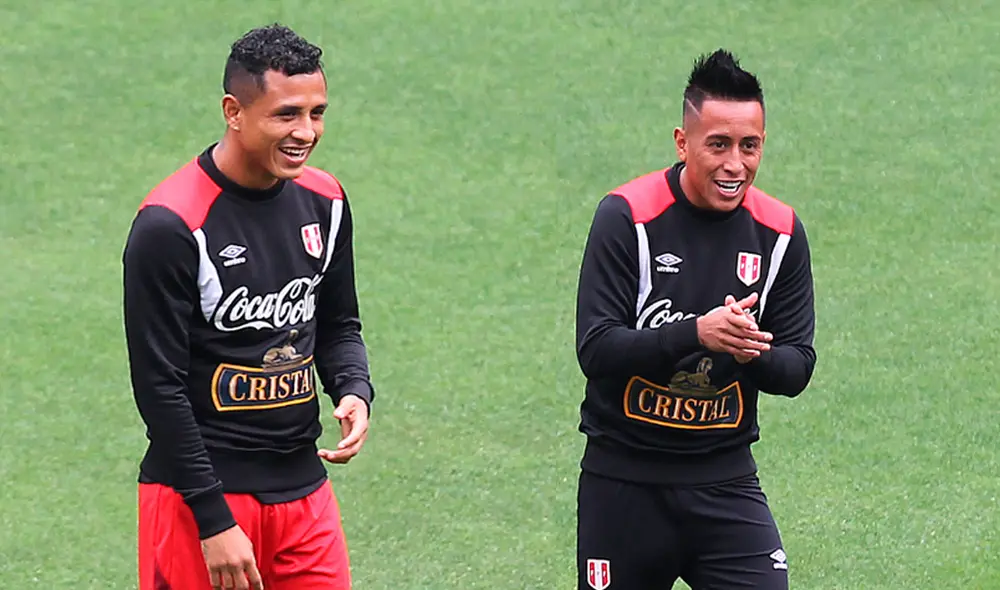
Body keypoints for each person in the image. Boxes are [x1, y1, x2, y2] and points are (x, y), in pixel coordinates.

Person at [122, 23, 374, 590]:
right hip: (200, 499)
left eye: (316, 113)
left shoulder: (326, 201)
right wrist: (213, 520)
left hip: (304, 493)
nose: (306, 132)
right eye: (286, 115)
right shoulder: (171, 225)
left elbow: (338, 323)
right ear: (233, 112)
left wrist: (353, 387)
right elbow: (159, 387)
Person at [573, 49, 816, 590]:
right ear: (683, 143)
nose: (735, 164)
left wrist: (747, 349)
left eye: (749, 146)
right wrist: (697, 333)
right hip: (623, 487)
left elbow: (797, 367)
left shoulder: (779, 232)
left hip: (725, 484)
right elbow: (596, 349)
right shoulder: (627, 217)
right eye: (718, 144)